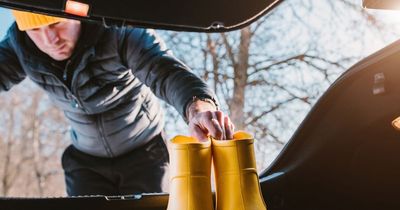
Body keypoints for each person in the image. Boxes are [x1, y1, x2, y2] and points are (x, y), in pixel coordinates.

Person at [0, 10, 234, 196]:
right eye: (35, 29)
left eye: (56, 24)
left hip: (144, 152)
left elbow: (162, 69)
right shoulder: (20, 47)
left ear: (77, 14)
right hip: (85, 159)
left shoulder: (117, 29)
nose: (50, 40)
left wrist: (198, 107)